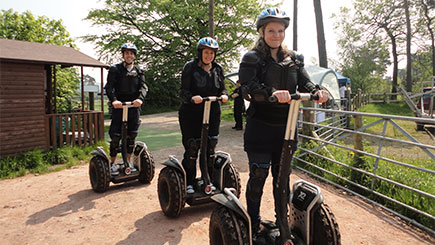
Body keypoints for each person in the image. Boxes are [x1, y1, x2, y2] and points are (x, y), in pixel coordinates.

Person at [238, 7, 329, 243]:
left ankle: (283, 227)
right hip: (260, 126)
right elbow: (247, 88)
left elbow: (305, 83)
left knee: (282, 178)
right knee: (258, 175)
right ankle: (254, 224)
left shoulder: (295, 59)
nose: (276, 35)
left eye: (280, 30)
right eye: (271, 30)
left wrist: (317, 91)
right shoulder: (252, 58)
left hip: (286, 128)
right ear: (262, 32)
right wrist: (270, 92)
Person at [178, 37, 228, 194]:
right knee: (193, 147)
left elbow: (223, 89)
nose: (209, 56)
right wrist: (192, 97)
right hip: (191, 112)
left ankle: (208, 180)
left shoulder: (218, 69)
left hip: (212, 110)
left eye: (212, 53)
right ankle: (189, 182)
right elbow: (183, 91)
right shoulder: (190, 68)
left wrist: (224, 95)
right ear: (200, 53)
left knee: (210, 146)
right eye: (206, 52)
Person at [105, 43, 148, 175]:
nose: (129, 55)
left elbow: (143, 87)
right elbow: (109, 87)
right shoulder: (115, 69)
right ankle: (112, 163)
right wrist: (114, 100)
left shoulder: (139, 71)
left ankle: (127, 162)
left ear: (134, 56)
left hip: (133, 106)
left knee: (131, 135)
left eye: (131, 53)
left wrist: (140, 99)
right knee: (116, 136)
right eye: (126, 53)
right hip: (119, 106)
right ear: (123, 55)